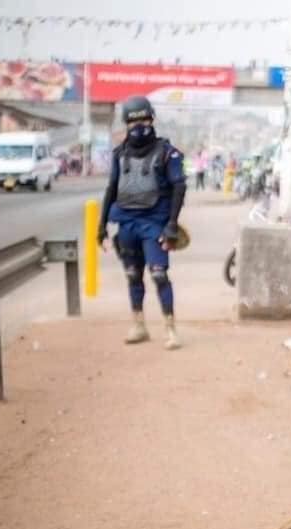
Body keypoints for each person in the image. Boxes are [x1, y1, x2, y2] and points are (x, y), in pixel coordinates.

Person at [98, 95, 186, 350]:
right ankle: (139, 325)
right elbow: (112, 188)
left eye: (144, 120)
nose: (139, 127)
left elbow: (179, 186)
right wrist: (101, 225)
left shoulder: (167, 153)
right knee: (132, 275)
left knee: (158, 275)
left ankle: (171, 329)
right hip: (126, 223)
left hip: (154, 223)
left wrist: (171, 224)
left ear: (152, 119)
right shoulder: (119, 155)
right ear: (126, 124)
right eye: (133, 123)